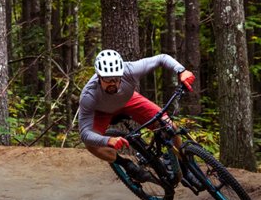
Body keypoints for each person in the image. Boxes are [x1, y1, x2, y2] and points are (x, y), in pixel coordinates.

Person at [78, 49, 195, 182]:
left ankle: (184, 167)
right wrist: (107, 140)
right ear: (98, 76)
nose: (112, 83)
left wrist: (181, 70)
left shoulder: (130, 70)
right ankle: (126, 164)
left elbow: (161, 58)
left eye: (116, 78)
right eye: (107, 79)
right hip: (101, 112)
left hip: (129, 101)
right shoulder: (89, 95)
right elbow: (85, 133)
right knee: (92, 145)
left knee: (170, 127)